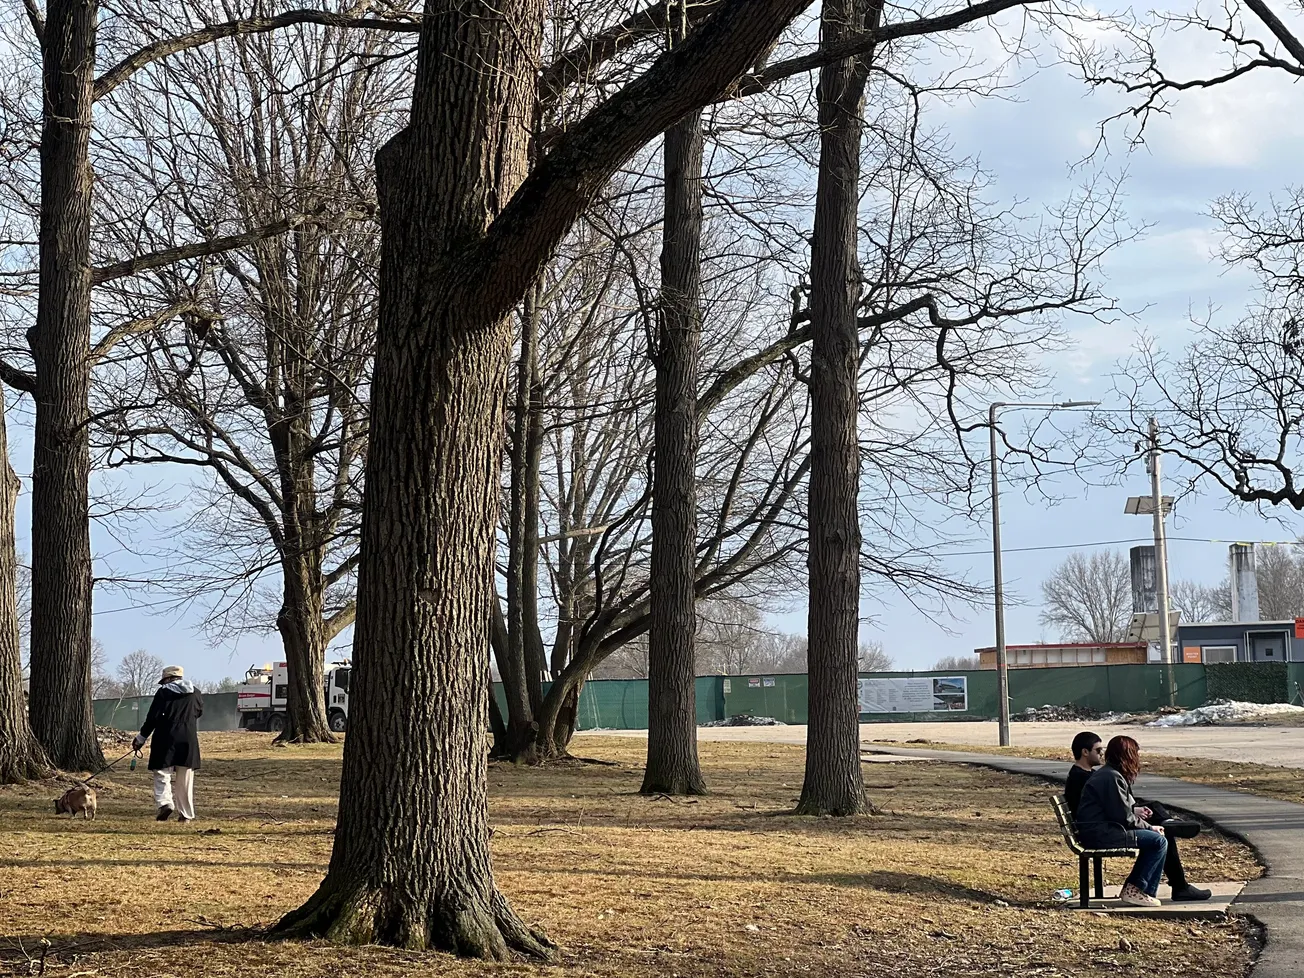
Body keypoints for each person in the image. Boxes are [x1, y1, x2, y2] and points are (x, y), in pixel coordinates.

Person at [1067, 731, 1210, 903]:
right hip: (1102, 832)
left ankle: (1141, 890)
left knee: (1159, 836)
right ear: (1126, 756)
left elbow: (1120, 811)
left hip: (1102, 828)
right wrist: (1150, 827)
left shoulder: (1110, 774)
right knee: (1158, 840)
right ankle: (1136, 889)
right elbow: (1123, 817)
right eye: (1135, 755)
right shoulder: (1110, 777)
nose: (1137, 760)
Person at [132, 664, 203, 823]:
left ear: (169, 679)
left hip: (166, 735)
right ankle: (186, 814)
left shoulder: (164, 692)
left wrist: (141, 738)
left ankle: (165, 803)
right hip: (188, 737)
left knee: (162, 772)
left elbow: (153, 717)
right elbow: (199, 712)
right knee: (185, 778)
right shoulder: (196, 692)